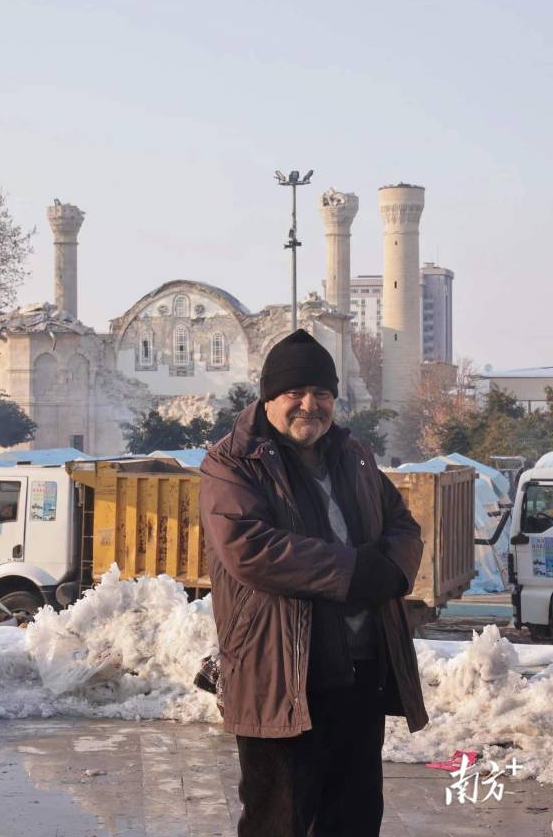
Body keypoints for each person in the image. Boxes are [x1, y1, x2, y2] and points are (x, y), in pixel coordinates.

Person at [200, 329, 429, 837]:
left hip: (361, 672)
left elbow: (403, 525)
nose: (310, 405)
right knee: (278, 822)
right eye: (295, 393)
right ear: (268, 398)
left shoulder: (354, 454)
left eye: (322, 394)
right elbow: (250, 549)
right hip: (281, 675)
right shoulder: (231, 462)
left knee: (354, 819)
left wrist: (391, 569)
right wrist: (355, 572)